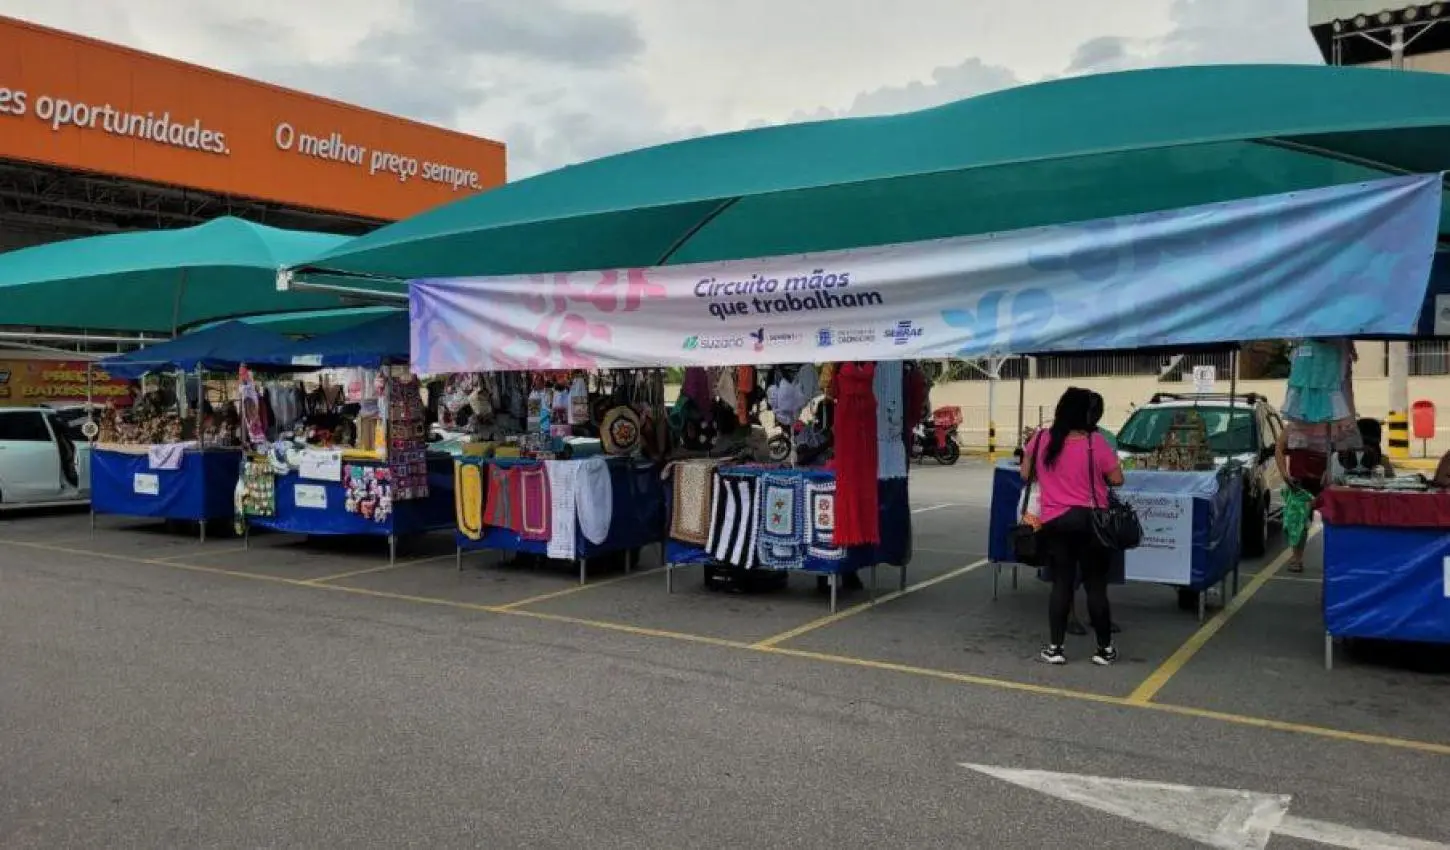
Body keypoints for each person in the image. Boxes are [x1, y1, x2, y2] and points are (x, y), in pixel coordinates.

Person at [1022, 387, 1125, 666]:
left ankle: (1055, 648)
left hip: (1055, 521)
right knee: (1095, 586)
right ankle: (1104, 649)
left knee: (1062, 584)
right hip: (1092, 521)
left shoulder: (1040, 438)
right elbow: (1117, 479)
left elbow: (1025, 473)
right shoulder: (1095, 442)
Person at [1275, 423, 1329, 573]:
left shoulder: (1331, 425)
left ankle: (1334, 560)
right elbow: (1279, 448)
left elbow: (1340, 451)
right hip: (1299, 481)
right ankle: (1297, 558)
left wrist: (1331, 471)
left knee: (1333, 520)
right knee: (1298, 520)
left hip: (1325, 480)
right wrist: (1284, 474)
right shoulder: (1292, 427)